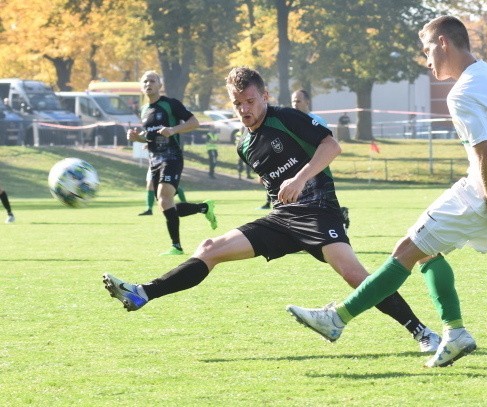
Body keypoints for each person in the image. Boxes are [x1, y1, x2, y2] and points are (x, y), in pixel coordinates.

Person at [104, 66, 441, 353]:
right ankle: (142, 294)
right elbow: (274, 184)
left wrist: (300, 178)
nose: (244, 109)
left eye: (250, 101)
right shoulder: (243, 143)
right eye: (237, 104)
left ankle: (422, 333)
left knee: (355, 276)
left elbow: (331, 145)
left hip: (319, 210)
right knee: (209, 249)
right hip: (283, 218)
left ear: (264, 95)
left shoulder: (286, 117)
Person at [286, 16, 487, 368]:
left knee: (407, 250)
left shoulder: (462, 92)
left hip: (483, 194)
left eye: (427, 49)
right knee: (427, 252)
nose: (426, 59)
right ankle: (455, 332)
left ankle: (337, 319)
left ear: (444, 42)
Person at [126, 70, 217, 255]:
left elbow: (194, 122)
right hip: (154, 161)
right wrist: (137, 138)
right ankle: (204, 207)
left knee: (164, 197)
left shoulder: (170, 104)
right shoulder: (144, 110)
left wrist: (173, 130)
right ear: (141, 87)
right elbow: (151, 137)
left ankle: (176, 247)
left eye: (152, 80)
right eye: (145, 81)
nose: (148, 84)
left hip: (172, 157)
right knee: (165, 204)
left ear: (160, 85)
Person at [291, 89, 350, 233]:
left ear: (307, 102)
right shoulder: (289, 120)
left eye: (298, 101)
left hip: (316, 169)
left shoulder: (317, 121)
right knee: (301, 203)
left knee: (320, 203)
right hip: (297, 169)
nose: (295, 104)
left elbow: (328, 146)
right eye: (293, 101)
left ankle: (339, 217)